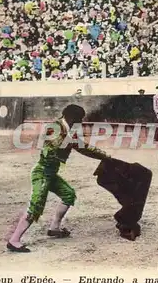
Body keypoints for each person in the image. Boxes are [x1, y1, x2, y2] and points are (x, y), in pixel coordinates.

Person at [7, 104, 111, 253]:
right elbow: (57, 144)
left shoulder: (69, 130)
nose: (80, 122)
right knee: (36, 206)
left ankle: (54, 228)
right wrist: (74, 142)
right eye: (78, 119)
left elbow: (82, 147)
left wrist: (103, 155)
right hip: (42, 173)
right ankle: (14, 240)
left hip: (51, 174)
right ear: (70, 117)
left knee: (68, 194)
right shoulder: (54, 127)